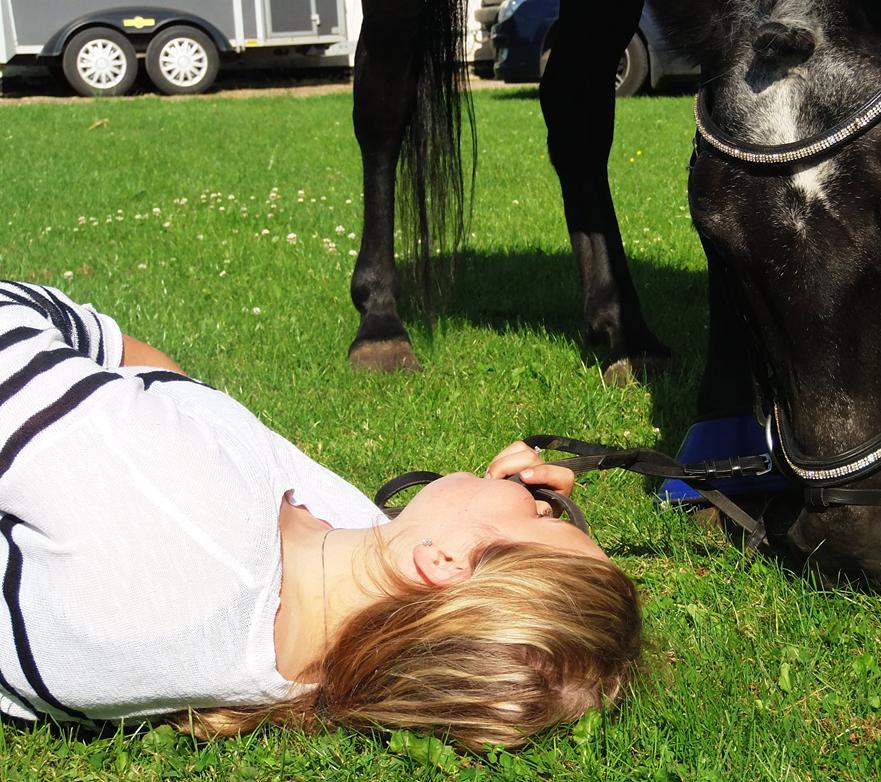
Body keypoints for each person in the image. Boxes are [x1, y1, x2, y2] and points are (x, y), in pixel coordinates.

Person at [0, 281, 641, 750]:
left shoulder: (185, 514)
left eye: (548, 517)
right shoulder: (330, 628)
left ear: (444, 564)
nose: (546, 494)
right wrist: (504, 507)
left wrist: (128, 370)